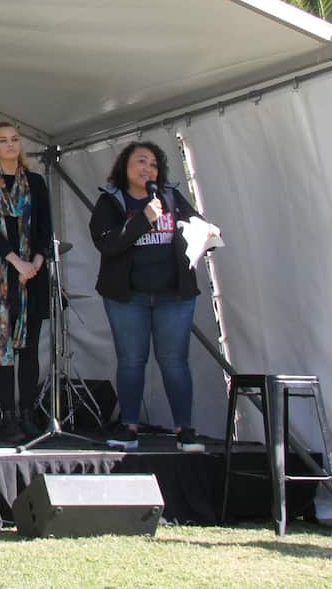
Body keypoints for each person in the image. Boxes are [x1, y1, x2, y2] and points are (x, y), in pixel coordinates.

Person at [89, 141, 212, 453]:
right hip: (128, 297)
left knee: (174, 361)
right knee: (131, 360)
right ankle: (129, 427)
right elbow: (108, 245)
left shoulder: (170, 195)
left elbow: (194, 222)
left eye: (153, 164)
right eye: (140, 162)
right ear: (124, 167)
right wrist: (143, 218)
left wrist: (207, 230)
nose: (147, 169)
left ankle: (184, 429)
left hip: (175, 295)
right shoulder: (111, 201)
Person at [0, 122, 52, 439]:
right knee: (3, 349)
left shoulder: (35, 182)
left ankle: (29, 413)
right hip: (2, 276)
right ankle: (8, 415)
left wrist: (36, 262)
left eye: (15, 140)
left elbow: (45, 226)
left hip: (34, 277)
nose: (10, 145)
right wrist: (17, 262)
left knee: (29, 349)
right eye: (3, 141)